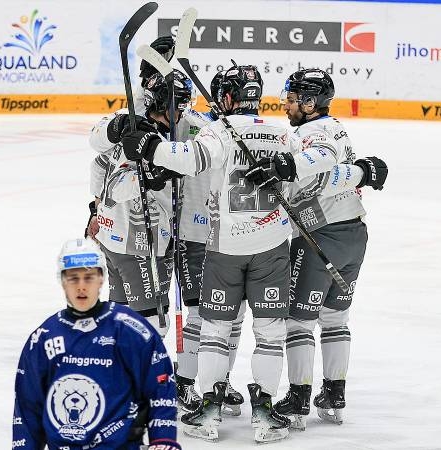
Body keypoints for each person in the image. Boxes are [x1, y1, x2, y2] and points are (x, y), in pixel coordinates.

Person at [120, 62, 295, 444]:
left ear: (227, 97)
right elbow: (301, 174)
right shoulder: (282, 134)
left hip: (225, 249)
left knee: (215, 328)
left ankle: (210, 408)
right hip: (272, 249)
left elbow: (187, 158)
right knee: (269, 333)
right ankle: (265, 413)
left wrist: (149, 146)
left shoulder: (218, 132)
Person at [244, 68, 388, 429]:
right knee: (336, 318)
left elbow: (320, 158)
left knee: (298, 321)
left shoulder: (311, 133)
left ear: (310, 103)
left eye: (293, 100)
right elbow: (335, 168)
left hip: (320, 234)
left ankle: (298, 396)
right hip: (354, 234)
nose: (287, 106)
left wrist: (285, 165)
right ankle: (334, 391)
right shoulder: (336, 126)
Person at [12, 238, 181, 450]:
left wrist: (163, 440)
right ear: (62, 281)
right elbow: (27, 408)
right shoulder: (44, 337)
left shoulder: (130, 330)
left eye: (89, 277)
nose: (81, 287)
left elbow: (160, 385)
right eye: (73, 278)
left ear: (101, 279)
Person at [86, 69, 194, 337]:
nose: (181, 115)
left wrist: (95, 211)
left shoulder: (162, 129)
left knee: (119, 318)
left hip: (116, 238)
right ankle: (140, 376)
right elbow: (114, 184)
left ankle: (118, 373)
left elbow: (99, 165)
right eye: (177, 108)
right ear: (161, 104)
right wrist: (148, 178)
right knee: (152, 325)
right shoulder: (131, 129)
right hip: (138, 243)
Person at [173, 69, 245, 417]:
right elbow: (165, 113)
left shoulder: (243, 131)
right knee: (201, 312)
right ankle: (184, 380)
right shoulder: (192, 122)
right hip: (194, 236)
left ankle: (220, 379)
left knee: (234, 316)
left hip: (233, 237)